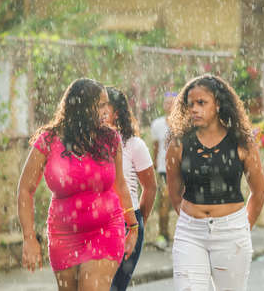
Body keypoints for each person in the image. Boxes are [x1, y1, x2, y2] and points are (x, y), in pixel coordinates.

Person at [17, 78, 138, 291]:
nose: (106, 110)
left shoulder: (110, 138)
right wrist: (29, 238)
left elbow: (120, 185)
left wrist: (133, 226)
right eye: (101, 104)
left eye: (107, 104)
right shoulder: (48, 140)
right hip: (64, 235)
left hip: (106, 230)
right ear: (83, 106)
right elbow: (25, 190)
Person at [166, 74, 264, 291]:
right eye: (190, 104)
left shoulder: (242, 142)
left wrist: (239, 227)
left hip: (232, 231)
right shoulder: (178, 143)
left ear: (218, 104)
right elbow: (174, 192)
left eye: (201, 103)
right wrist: (192, 219)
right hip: (190, 233)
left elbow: (259, 192)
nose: (194, 109)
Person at [105, 88, 157, 291]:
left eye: (103, 106)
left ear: (117, 112)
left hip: (126, 223)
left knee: (115, 288)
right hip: (95, 223)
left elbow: (150, 187)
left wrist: (137, 224)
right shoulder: (87, 144)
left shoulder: (134, 145)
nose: (97, 111)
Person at [150, 91, 176, 249]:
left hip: (181, 168)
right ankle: (163, 235)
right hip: (164, 169)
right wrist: (154, 163)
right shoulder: (157, 124)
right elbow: (156, 147)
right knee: (164, 201)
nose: (169, 106)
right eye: (167, 103)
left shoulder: (185, 123)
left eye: (172, 103)